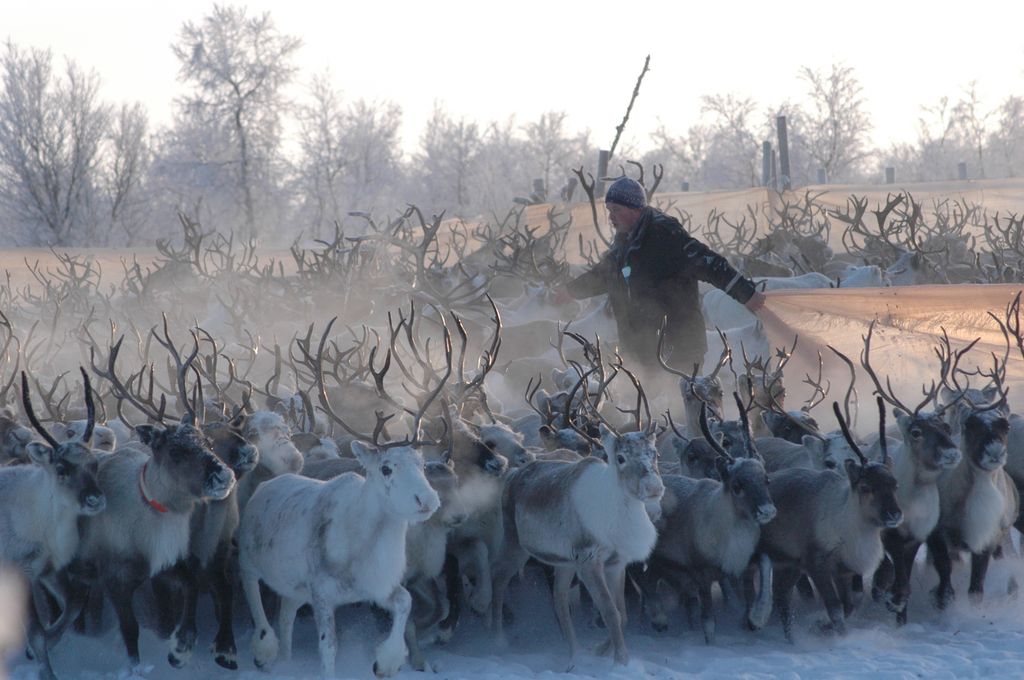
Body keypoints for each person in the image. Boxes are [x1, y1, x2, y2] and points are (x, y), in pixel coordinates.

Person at [559, 176, 765, 374]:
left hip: (679, 346)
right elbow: (603, 276)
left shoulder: (665, 235)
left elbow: (709, 263)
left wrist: (746, 294)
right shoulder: (624, 244)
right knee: (645, 406)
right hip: (641, 349)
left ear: (635, 210)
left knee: (679, 406)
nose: (611, 216)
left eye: (616, 210)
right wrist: (570, 291)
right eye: (609, 210)